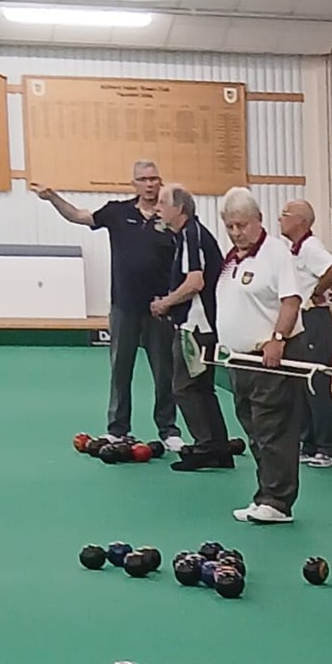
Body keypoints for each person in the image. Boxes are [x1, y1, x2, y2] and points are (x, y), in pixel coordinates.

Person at [35, 160, 179, 448]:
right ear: (134, 184)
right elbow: (77, 215)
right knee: (120, 369)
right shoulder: (117, 212)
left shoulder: (172, 219)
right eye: (144, 179)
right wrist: (53, 198)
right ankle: (117, 428)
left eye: (154, 179)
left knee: (165, 372)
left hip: (160, 308)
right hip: (124, 306)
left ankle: (169, 430)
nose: (150, 184)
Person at [215, 187, 304, 525]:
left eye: (242, 225)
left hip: (270, 357)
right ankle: (264, 493)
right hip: (240, 360)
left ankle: (278, 501)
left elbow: (291, 300)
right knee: (253, 427)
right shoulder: (232, 259)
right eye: (231, 227)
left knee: (273, 427)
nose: (237, 232)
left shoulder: (276, 254)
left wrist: (277, 339)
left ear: (259, 220)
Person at [149, 184, 232, 471]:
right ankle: (219, 447)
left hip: (196, 326)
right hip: (202, 323)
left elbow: (195, 282)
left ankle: (206, 446)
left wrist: (166, 304)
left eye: (162, 202)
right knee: (202, 387)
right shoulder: (190, 233)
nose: (157, 207)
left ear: (179, 209)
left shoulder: (189, 236)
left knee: (184, 386)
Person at [279, 200, 332, 467]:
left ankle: (327, 448)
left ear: (301, 222)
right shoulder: (294, 249)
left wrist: (317, 292)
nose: (280, 219)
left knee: (316, 383)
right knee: (301, 383)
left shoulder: (311, 247)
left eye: (285, 215)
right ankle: (309, 442)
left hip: (315, 319)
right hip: (302, 319)